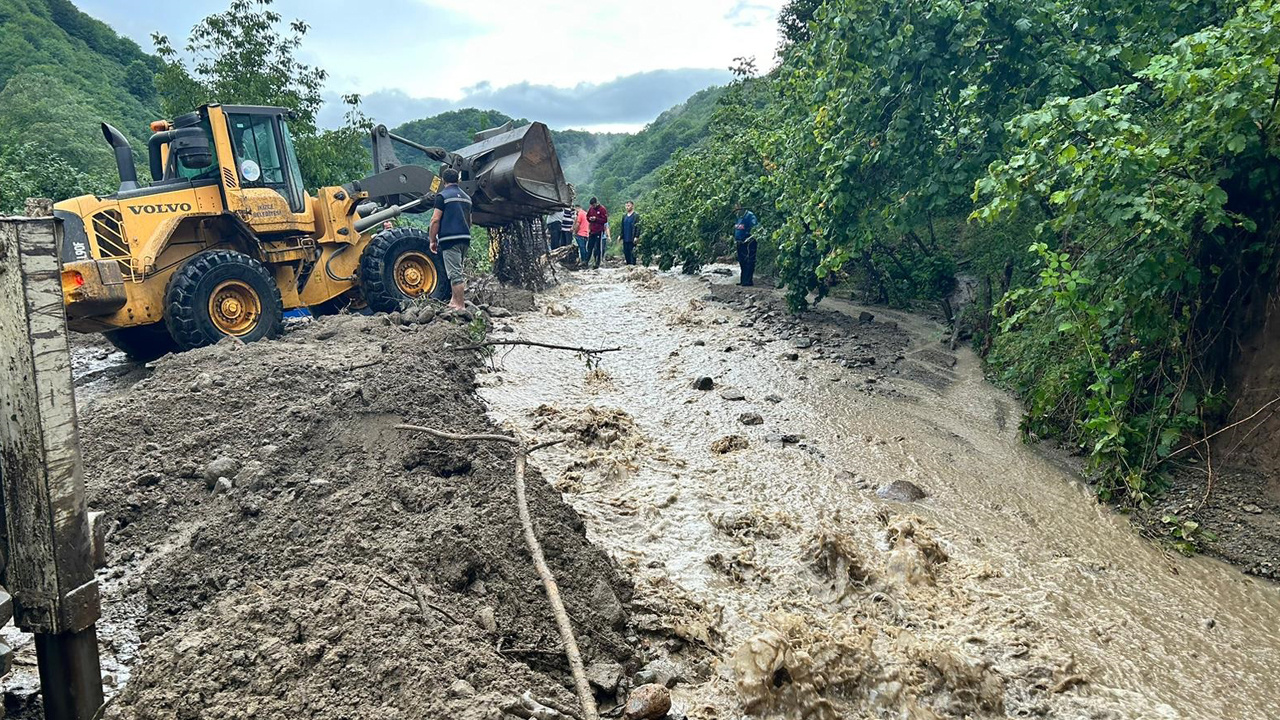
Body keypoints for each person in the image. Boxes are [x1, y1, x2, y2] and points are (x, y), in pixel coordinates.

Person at [429, 168, 473, 310]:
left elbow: (435, 219)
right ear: (458, 180)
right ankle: (453, 301)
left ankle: (460, 305)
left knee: (455, 274)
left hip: (450, 239)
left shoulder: (442, 196)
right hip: (465, 238)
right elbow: (469, 221)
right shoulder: (467, 197)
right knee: (457, 269)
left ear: (443, 180)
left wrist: (432, 240)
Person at [733, 203, 759, 287]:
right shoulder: (738, 217)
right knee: (742, 262)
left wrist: (748, 238)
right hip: (739, 242)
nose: (735, 208)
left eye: (737, 206)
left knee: (749, 261)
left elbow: (755, 229)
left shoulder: (750, 216)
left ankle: (748, 281)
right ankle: (743, 280)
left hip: (748, 243)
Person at [586, 197, 609, 269]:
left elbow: (605, 220)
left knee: (597, 247)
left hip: (599, 231)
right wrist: (590, 219)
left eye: (593, 205)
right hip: (592, 230)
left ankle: (597, 262)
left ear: (596, 203)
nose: (592, 206)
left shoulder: (602, 209)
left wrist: (596, 219)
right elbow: (587, 216)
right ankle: (586, 261)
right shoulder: (591, 209)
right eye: (591, 205)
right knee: (589, 247)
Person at [620, 200, 641, 265]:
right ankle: (628, 265)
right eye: (626, 206)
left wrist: (636, 236)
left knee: (632, 253)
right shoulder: (624, 216)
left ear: (632, 206)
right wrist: (620, 236)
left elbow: (638, 227)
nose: (627, 207)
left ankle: (633, 265)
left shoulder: (636, 215)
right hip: (625, 238)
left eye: (628, 206)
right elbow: (622, 226)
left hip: (632, 238)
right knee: (626, 252)